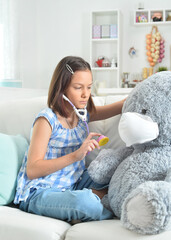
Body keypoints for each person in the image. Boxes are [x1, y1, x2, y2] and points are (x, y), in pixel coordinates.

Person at [14, 56, 125, 223]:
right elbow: (33, 170)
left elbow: (119, 106)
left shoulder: (82, 115)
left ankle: (80, 205)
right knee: (86, 203)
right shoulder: (46, 120)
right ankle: (90, 204)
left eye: (89, 87)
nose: (85, 94)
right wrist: (76, 156)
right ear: (62, 88)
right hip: (41, 191)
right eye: (78, 87)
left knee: (122, 175)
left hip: (74, 182)